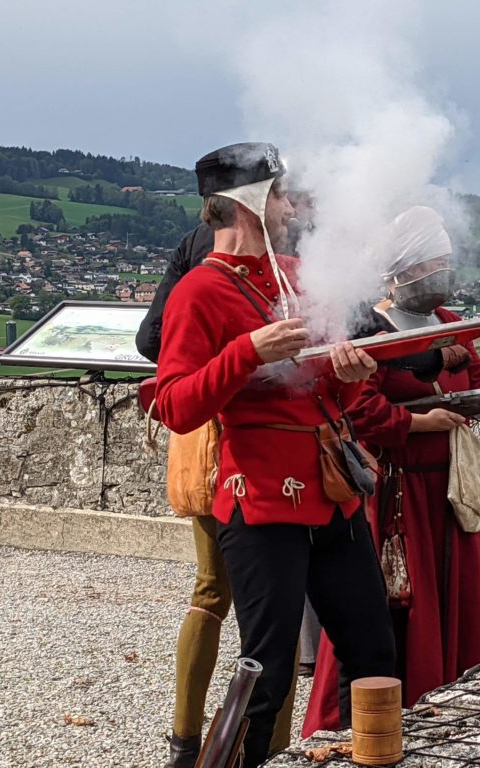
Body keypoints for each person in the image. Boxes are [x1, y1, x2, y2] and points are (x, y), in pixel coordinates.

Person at [153, 142, 395, 768]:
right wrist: (248, 353)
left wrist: (351, 371)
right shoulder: (198, 293)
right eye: (281, 196)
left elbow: (327, 391)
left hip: (334, 497)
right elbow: (177, 405)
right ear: (248, 203)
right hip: (261, 504)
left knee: (374, 658)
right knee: (265, 678)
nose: (291, 208)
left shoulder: (297, 272)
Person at [302, 206, 480, 736]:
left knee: (458, 615)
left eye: (445, 259)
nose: (443, 269)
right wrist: (421, 423)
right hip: (396, 496)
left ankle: (456, 724)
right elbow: (359, 409)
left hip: (447, 494)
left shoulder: (448, 325)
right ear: (405, 267)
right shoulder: (369, 326)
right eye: (433, 261)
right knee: (389, 613)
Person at [138, 194, 319, 768]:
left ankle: (187, 741)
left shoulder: (197, 248)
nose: (290, 207)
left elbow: (148, 340)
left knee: (216, 591)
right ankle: (245, 748)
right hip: (225, 438)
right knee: (263, 605)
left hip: (212, 436)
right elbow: (160, 345)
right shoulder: (229, 261)